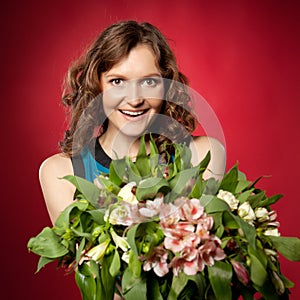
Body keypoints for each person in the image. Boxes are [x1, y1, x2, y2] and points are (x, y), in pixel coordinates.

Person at [39, 20, 226, 226]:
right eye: (117, 81)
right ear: (97, 85)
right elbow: (82, 256)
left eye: (149, 82)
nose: (135, 100)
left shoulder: (203, 154)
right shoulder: (61, 172)